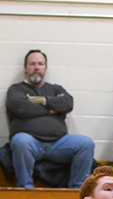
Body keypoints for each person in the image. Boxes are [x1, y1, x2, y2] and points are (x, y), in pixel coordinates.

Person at [6, 49, 95, 189]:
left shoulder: (55, 89)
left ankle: (77, 191)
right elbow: (21, 107)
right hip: (30, 143)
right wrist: (51, 108)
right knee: (20, 141)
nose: (36, 68)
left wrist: (39, 100)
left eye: (40, 64)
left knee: (86, 143)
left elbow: (67, 103)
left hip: (58, 144)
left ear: (45, 68)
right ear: (25, 68)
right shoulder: (16, 90)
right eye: (32, 64)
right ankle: (25, 189)